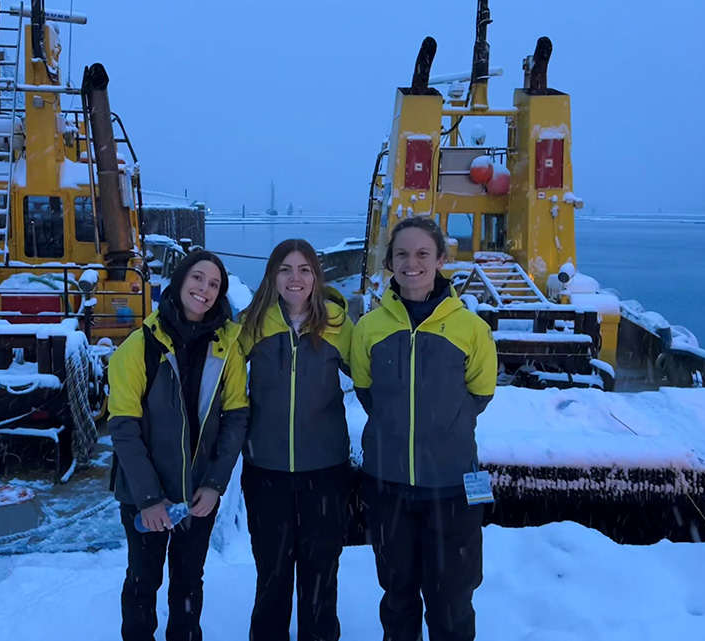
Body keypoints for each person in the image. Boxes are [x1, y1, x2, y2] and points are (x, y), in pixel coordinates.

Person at [350, 216, 497, 641]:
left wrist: (439, 431)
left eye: (421, 254)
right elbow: (366, 391)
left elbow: (480, 394)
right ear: (389, 262)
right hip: (387, 485)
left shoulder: (471, 328)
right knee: (397, 597)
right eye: (401, 254)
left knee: (451, 599)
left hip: (452, 487)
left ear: (441, 260)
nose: (410, 263)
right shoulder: (370, 329)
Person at [108, 250, 249, 641]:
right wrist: (149, 498)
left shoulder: (226, 349)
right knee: (143, 579)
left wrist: (215, 484)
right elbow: (123, 427)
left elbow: (236, 418)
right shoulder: (139, 346)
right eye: (198, 278)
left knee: (188, 583)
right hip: (144, 493)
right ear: (180, 280)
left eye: (214, 284)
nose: (204, 289)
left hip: (198, 492)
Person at [238, 238, 354, 641]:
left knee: (321, 572)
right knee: (272, 572)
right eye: (285, 269)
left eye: (304, 269)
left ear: (316, 276)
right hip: (265, 470)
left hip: (325, 471)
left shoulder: (338, 323)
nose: (295, 278)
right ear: (273, 275)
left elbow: (375, 379)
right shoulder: (252, 323)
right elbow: (221, 382)